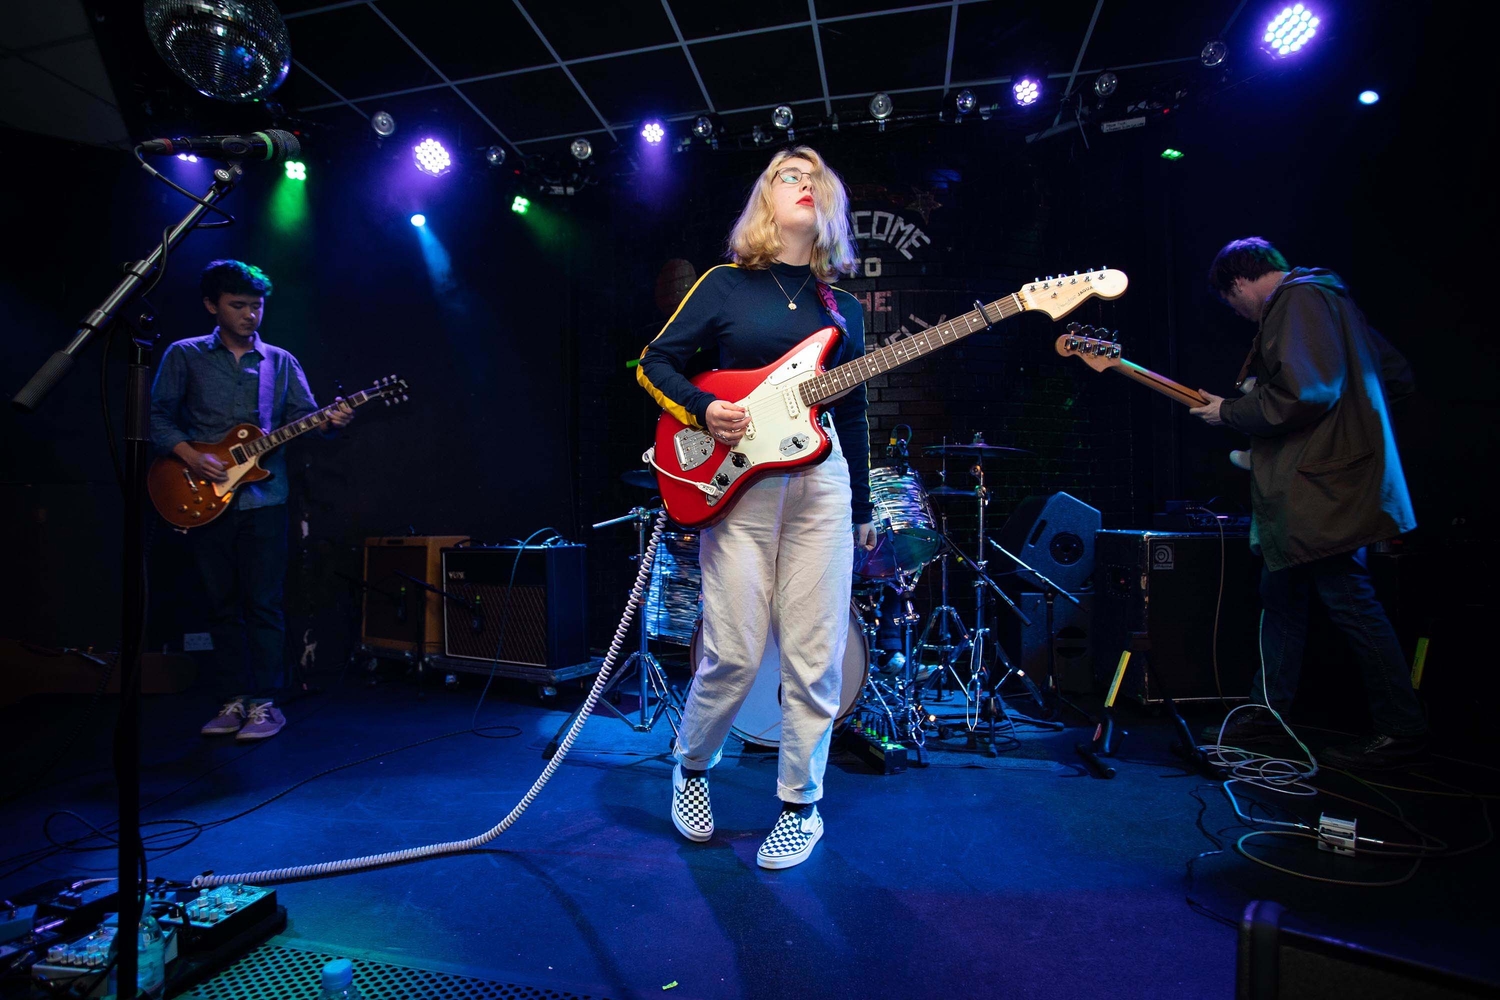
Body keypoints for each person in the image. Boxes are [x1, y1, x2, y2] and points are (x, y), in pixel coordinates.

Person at [637, 147, 877, 868]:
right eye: (786, 176)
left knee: (814, 656)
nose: (803, 183)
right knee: (735, 649)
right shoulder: (725, 285)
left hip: (823, 486)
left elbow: (857, 410)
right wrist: (706, 409)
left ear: (829, 202)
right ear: (765, 202)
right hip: (740, 484)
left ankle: (801, 807)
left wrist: (862, 503)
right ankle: (693, 765)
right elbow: (656, 362)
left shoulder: (846, 309)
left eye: (815, 177)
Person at [1190, 238, 1426, 769]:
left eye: (1232, 302)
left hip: (1321, 492)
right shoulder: (1333, 301)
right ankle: (1269, 716)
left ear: (1240, 281)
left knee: (1347, 600)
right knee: (1283, 595)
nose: (1238, 312)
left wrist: (1231, 411)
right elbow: (1396, 378)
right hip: (1332, 485)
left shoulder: (1295, 301)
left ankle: (1402, 728)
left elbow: (1306, 392)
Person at [149, 260, 352, 741]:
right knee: (221, 606)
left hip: (266, 500)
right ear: (211, 306)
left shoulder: (280, 362)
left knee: (264, 604)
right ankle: (230, 699)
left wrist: (331, 421)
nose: (249, 315)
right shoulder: (184, 355)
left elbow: (308, 420)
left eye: (256, 306)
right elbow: (156, 418)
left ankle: (264, 704)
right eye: (237, 306)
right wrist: (190, 457)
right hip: (203, 498)